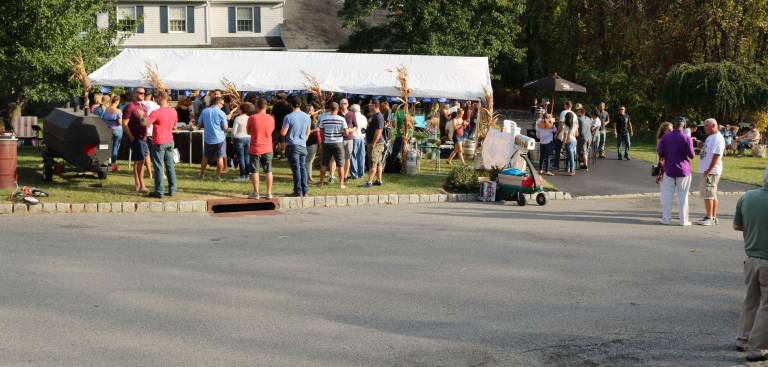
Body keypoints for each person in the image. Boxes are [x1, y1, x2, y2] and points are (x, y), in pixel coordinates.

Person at [735, 168, 768, 362]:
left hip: (751, 258)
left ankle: (743, 338)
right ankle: (757, 349)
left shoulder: (747, 197)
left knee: (751, 300)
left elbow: (737, 225)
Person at [657, 116, 695, 226]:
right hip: (683, 170)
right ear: (684, 125)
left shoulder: (665, 137)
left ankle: (666, 219)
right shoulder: (686, 137)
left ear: (673, 125)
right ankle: (684, 220)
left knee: (667, 195)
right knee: (683, 196)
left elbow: (660, 153)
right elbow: (691, 155)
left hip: (669, 169)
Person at [145, 91, 178, 198]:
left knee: (159, 167)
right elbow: (174, 126)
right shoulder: (173, 111)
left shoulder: (156, 112)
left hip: (159, 141)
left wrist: (142, 115)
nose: (155, 99)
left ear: (160, 98)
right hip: (169, 141)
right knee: (170, 166)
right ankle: (172, 190)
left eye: (156, 97)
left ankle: (159, 191)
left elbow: (145, 124)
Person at [696, 118, 725, 226]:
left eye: (706, 126)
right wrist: (701, 145)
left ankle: (710, 218)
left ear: (713, 125)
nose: (704, 128)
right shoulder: (710, 137)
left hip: (711, 171)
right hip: (707, 170)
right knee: (711, 194)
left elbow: (717, 155)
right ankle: (712, 216)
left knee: (708, 193)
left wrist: (709, 170)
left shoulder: (718, 138)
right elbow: (708, 150)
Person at [281, 96, 311, 197]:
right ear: (301, 104)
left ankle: (297, 190)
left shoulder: (288, 117)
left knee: (296, 169)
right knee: (303, 167)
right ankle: (305, 189)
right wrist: (304, 140)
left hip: (292, 145)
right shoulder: (307, 116)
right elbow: (308, 131)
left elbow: (283, 133)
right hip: (302, 144)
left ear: (291, 105)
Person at [122, 87, 149, 193]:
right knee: (141, 161)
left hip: (144, 137)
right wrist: (131, 137)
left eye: (144, 93)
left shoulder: (144, 107)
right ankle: (141, 185)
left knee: (138, 161)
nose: (143, 94)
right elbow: (124, 124)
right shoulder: (130, 106)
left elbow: (144, 121)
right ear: (134, 93)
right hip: (136, 138)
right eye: (140, 93)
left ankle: (138, 184)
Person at [247, 98, 275, 199]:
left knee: (255, 171)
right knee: (269, 171)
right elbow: (271, 130)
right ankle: (269, 193)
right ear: (266, 106)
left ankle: (256, 193)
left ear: (256, 106)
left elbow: (248, 131)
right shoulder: (271, 118)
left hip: (255, 147)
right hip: (267, 147)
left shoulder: (252, 118)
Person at [319, 101, 350, 189]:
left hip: (327, 143)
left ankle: (321, 183)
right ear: (338, 109)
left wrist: (323, 140)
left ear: (329, 109)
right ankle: (341, 184)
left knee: (324, 164)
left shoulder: (324, 119)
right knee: (340, 164)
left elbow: (321, 131)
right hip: (338, 143)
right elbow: (346, 133)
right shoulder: (341, 119)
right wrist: (346, 131)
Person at [198, 96, 229, 181]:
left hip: (208, 138)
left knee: (205, 157)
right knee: (220, 157)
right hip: (220, 138)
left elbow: (200, 124)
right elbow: (225, 127)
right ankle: (218, 176)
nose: (222, 106)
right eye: (222, 104)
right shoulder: (221, 113)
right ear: (217, 103)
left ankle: (201, 175)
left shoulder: (205, 111)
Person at [364, 101, 386, 187]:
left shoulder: (378, 117)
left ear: (374, 105)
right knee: (378, 163)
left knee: (373, 163)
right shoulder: (373, 115)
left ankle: (369, 182)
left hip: (376, 144)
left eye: (370, 104)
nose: (368, 106)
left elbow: (379, 131)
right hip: (376, 143)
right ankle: (379, 180)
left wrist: (373, 143)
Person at [230, 102, 253, 181]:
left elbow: (234, 131)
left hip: (239, 138)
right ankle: (247, 175)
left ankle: (242, 175)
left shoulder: (238, 118)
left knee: (241, 158)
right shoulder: (249, 118)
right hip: (248, 138)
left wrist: (232, 138)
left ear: (241, 110)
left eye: (239, 109)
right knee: (247, 157)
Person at [100, 95, 123, 172]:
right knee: (115, 147)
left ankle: (106, 161)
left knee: (107, 146)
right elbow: (120, 122)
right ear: (117, 102)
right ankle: (113, 164)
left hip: (107, 130)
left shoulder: (106, 110)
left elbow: (103, 119)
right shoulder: (118, 111)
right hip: (117, 130)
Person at [271, 93, 292, 159]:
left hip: (276, 125)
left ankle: (272, 154)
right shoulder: (288, 106)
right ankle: (283, 154)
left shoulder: (276, 105)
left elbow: (272, 115)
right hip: (285, 125)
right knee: (283, 141)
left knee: (274, 141)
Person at [349, 103, 368, 179]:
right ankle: (361, 173)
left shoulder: (352, 116)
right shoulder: (364, 117)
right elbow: (365, 128)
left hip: (354, 137)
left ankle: (354, 174)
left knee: (353, 156)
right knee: (361, 156)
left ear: (352, 110)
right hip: (362, 138)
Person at [304, 104, 320, 183]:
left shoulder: (310, 118)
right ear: (309, 111)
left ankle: (309, 177)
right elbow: (305, 132)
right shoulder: (307, 119)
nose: (314, 111)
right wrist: (315, 130)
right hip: (310, 143)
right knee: (308, 161)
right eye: (313, 109)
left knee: (309, 161)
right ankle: (307, 178)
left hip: (313, 142)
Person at [575, 104, 592, 170]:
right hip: (589, 137)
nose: (576, 112)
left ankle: (585, 165)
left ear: (580, 112)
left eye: (577, 111)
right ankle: (584, 164)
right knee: (586, 151)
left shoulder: (578, 119)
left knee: (583, 151)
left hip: (582, 137)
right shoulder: (588, 119)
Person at [562, 112, 579, 176]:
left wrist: (563, 144)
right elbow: (577, 134)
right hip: (574, 140)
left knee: (570, 157)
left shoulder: (565, 126)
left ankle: (572, 170)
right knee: (571, 156)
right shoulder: (575, 124)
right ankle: (570, 169)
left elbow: (565, 136)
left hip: (569, 141)